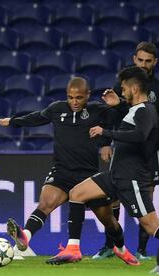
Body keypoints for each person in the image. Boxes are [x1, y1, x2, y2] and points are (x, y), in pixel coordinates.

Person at [0, 77, 116, 264]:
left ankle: (121, 247)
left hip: (88, 175)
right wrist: (12, 121)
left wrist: (118, 106)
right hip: (62, 171)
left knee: (108, 220)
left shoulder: (97, 110)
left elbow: (121, 119)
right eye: (70, 97)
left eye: (79, 97)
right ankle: (25, 236)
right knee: (45, 204)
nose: (74, 102)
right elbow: (36, 118)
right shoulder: (57, 108)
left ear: (88, 95)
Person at [65, 66, 159, 271]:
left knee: (152, 226)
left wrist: (106, 132)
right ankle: (73, 249)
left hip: (132, 180)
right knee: (77, 193)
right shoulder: (136, 110)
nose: (121, 91)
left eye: (124, 88)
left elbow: (141, 135)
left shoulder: (146, 110)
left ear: (134, 89)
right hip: (115, 176)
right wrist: (118, 107)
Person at [93, 41, 159, 261]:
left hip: (149, 151)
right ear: (134, 59)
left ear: (154, 62)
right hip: (124, 148)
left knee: (145, 197)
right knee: (113, 196)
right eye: (139, 60)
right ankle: (111, 245)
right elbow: (112, 114)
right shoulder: (124, 85)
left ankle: (141, 249)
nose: (143, 64)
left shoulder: (156, 89)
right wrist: (104, 141)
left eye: (147, 61)